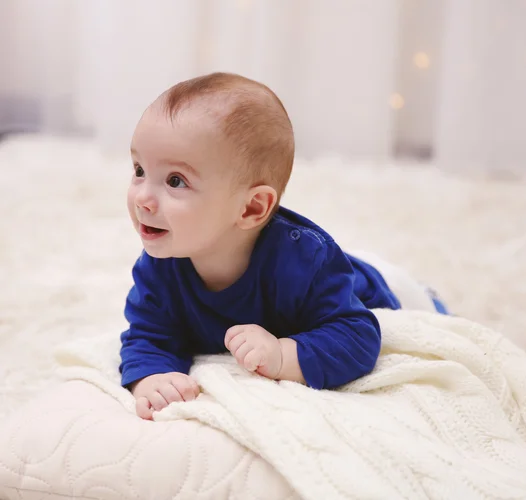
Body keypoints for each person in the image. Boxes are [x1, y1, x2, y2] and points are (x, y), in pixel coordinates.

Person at [119, 72, 448, 420]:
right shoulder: (161, 263)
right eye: (139, 169)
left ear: (251, 208)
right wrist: (151, 378)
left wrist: (281, 354)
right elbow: (147, 334)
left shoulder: (305, 263)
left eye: (175, 181)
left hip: (373, 286)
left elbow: (358, 339)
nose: (142, 197)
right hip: (331, 275)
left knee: (430, 316)